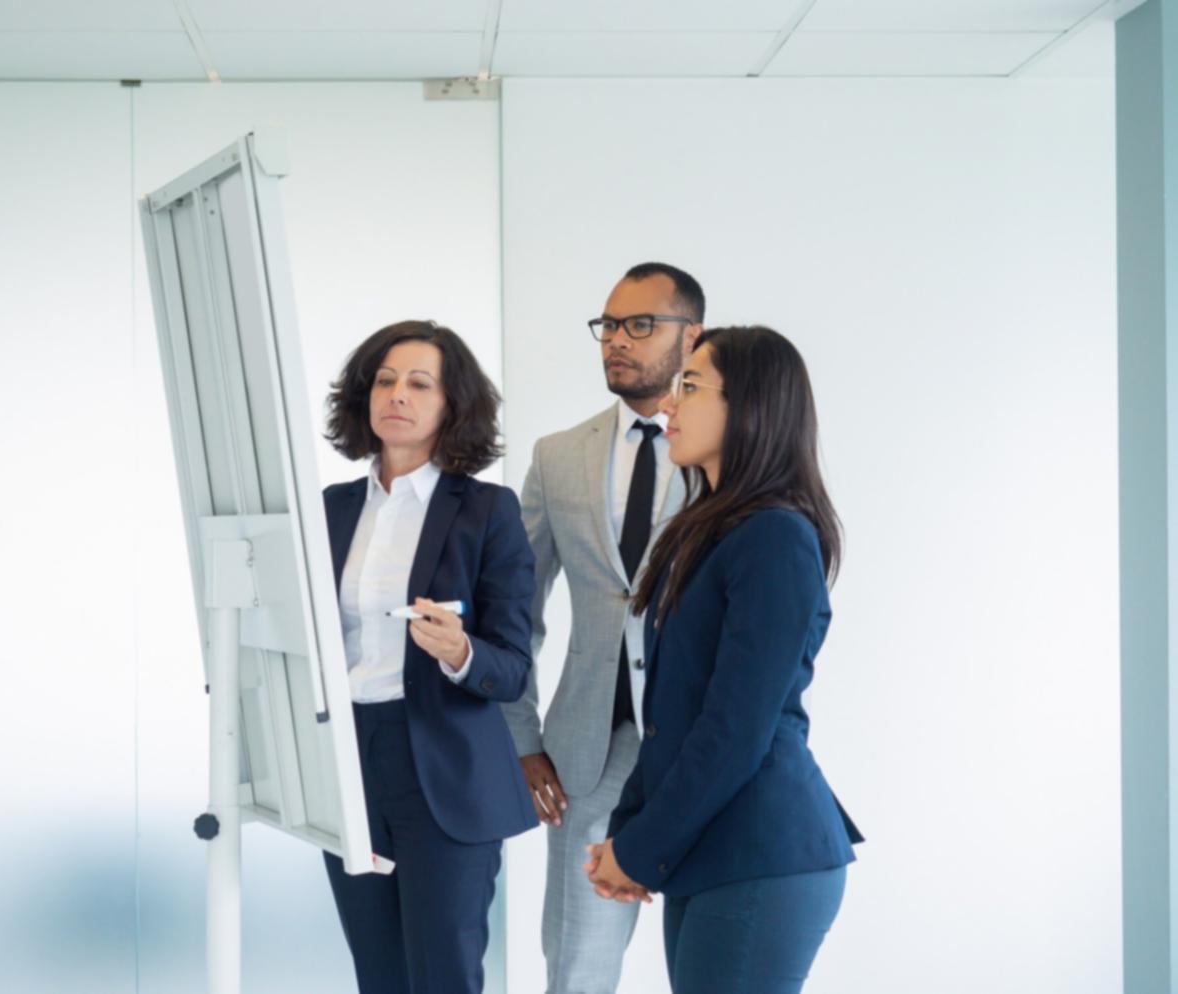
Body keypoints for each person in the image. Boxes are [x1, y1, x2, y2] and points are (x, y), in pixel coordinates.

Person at [586, 325, 864, 994]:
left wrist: (641, 848)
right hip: (716, 850)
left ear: (751, 405)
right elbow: (671, 717)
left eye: (689, 386)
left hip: (761, 851)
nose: (667, 405)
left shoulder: (774, 537)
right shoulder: (710, 527)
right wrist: (629, 836)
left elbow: (734, 730)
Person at [502, 263, 704, 993]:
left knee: (713, 958)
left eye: (640, 325)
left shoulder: (730, 452)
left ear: (694, 334)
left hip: (701, 743)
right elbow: (514, 611)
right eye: (608, 326)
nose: (616, 341)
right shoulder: (557, 457)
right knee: (577, 967)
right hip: (588, 749)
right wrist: (522, 740)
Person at [320, 319, 539, 994]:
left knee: (442, 977)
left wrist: (460, 652)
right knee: (378, 976)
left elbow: (511, 668)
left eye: (420, 383)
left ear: (453, 405)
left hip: (444, 770)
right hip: (350, 764)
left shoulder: (487, 511)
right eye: (384, 380)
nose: (397, 395)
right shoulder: (328, 510)